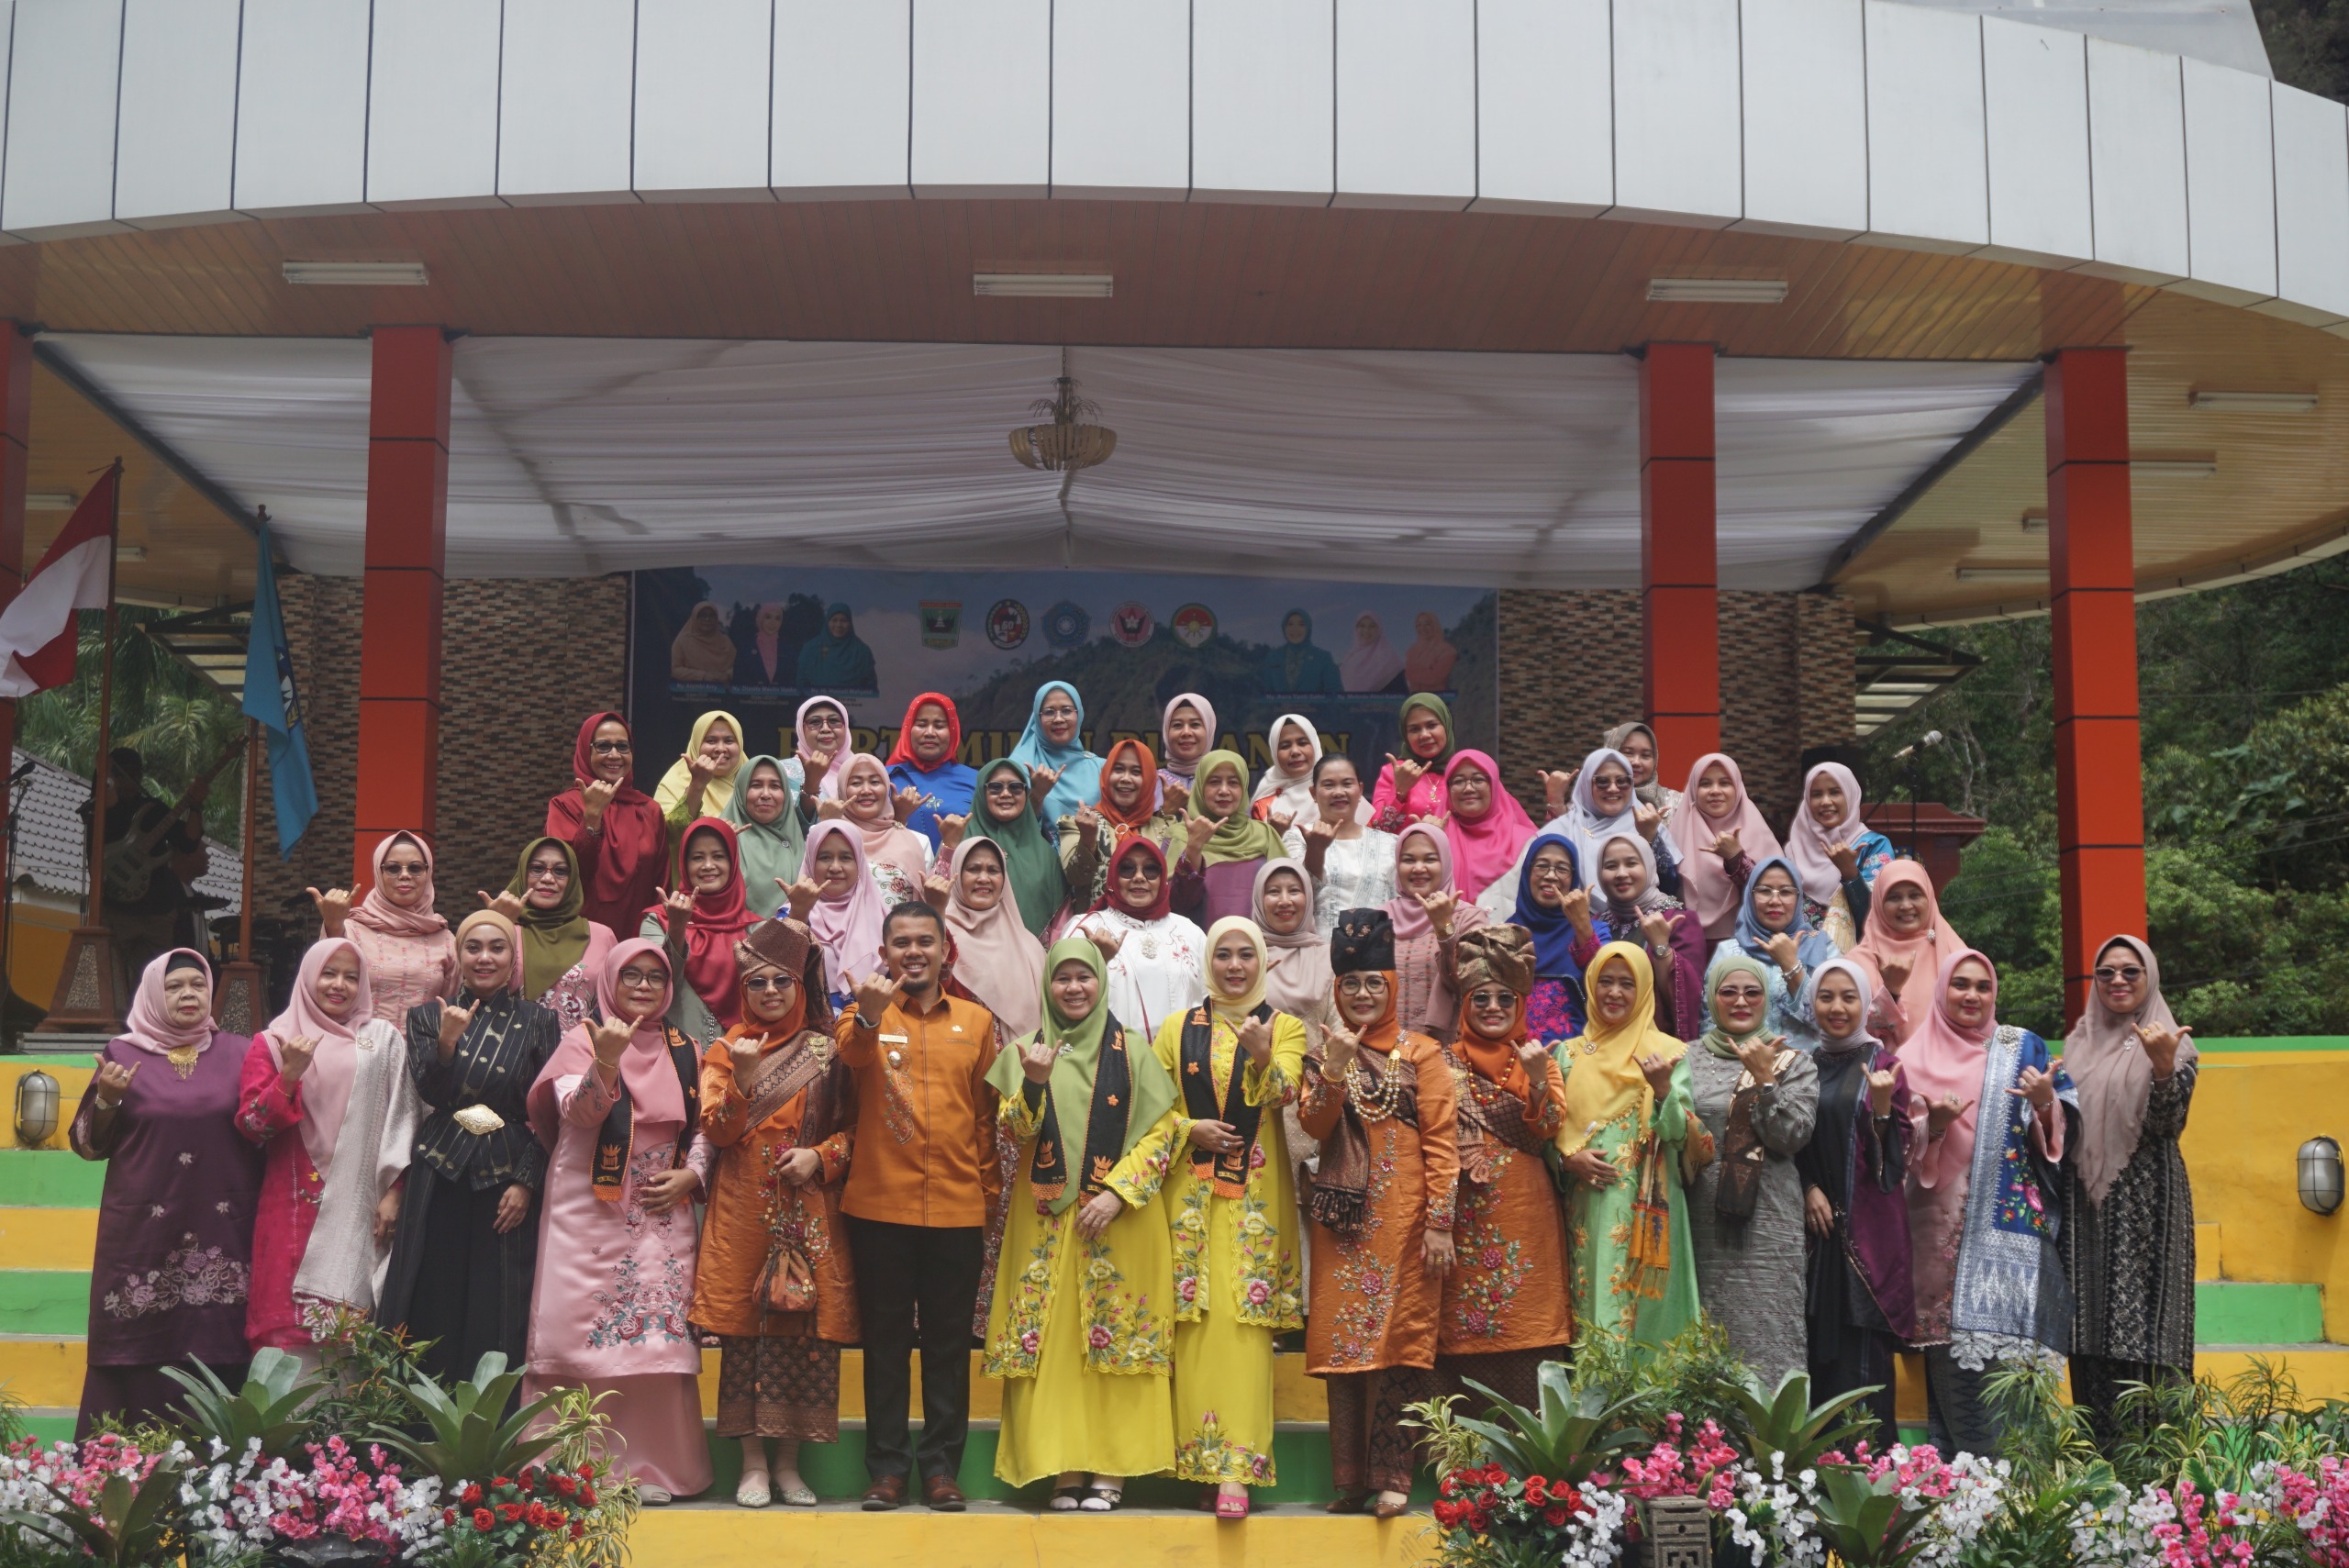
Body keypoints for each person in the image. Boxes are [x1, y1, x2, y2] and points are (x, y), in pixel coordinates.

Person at [986, 936, 1184, 1509]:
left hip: (1120, 1223)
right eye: (1062, 978)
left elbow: (1164, 1131)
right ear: (1047, 985)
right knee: (1054, 1345)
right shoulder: (1025, 1052)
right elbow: (1015, 1132)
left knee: (1117, 1338)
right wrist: (1034, 1082)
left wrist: (1117, 1193)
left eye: (1084, 977)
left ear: (1102, 981)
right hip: (1046, 1225)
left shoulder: (1136, 1052)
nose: (1073, 988)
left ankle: (1112, 1471)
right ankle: (1063, 1467)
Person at [525, 939, 714, 1505]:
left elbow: (704, 1126)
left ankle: (656, 1467)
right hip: (589, 1204)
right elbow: (578, 1113)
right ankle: (571, 1466)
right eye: (631, 975)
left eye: (656, 977)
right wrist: (606, 1060)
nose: (644, 986)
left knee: (655, 1339)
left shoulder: (686, 1049)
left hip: (661, 1206)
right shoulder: (581, 1040)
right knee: (580, 1331)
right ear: (609, 981)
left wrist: (693, 1175)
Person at [834, 903, 1004, 1512]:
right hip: (880, 1206)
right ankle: (886, 1470)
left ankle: (940, 1470)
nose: (913, 951)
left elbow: (984, 1117)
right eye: (901, 942)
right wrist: (869, 1016)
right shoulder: (862, 1013)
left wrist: (986, 1195)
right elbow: (852, 1056)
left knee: (948, 1347)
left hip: (957, 1209)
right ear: (884, 953)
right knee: (884, 1345)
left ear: (943, 949)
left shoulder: (977, 1021)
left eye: (924, 941)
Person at [691, 917, 858, 1509]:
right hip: (744, 1211)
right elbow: (718, 1131)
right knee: (747, 1336)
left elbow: (856, 1131)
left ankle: (789, 1465)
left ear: (799, 986)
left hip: (811, 1206)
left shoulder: (828, 1051)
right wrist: (740, 1079)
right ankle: (753, 1466)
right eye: (757, 982)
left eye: (781, 981)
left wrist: (821, 1156)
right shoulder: (726, 1049)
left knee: (805, 1333)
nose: (769, 992)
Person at [1299, 908, 1459, 1518]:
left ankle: (1394, 1477)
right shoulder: (1324, 1053)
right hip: (1344, 1224)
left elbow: (1442, 1142)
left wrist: (1440, 1222)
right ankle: (1350, 1480)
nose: (1362, 994)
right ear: (1336, 990)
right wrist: (1335, 1067)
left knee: (1401, 1343)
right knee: (1345, 1344)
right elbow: (1315, 1126)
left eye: (1374, 982)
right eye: (1351, 984)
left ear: (1392, 985)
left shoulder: (1422, 1052)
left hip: (1407, 1222)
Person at [1152, 917, 1308, 1517]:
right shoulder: (1176, 1029)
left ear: (1262, 960)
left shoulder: (1283, 1026)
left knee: (1242, 1329)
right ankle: (1199, 1463)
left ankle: (1237, 1471)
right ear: (1207, 961)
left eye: (1246, 954)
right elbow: (1149, 1109)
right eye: (1224, 954)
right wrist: (1189, 1127)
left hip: (1253, 1205)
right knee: (1193, 1328)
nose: (1235, 965)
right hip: (1188, 1200)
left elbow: (1285, 1093)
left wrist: (1264, 1056)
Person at [69, 951, 261, 1436]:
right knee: (139, 1339)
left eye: (198, 984)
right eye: (174, 987)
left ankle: (221, 1461)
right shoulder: (121, 1054)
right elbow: (89, 1146)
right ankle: (125, 1461)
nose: (188, 994)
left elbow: (265, 1128)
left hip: (224, 1223)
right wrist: (107, 1099)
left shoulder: (242, 1052)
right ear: (154, 993)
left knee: (220, 1339)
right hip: (142, 1228)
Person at [1900, 950, 2076, 1456]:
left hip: (2010, 1239)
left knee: (2015, 1379)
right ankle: (1965, 1488)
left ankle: (2024, 1487)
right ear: (1942, 991)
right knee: (1954, 1373)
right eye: (1961, 984)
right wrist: (1934, 1127)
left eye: (1983, 986)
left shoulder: (2023, 1048)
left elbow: (2066, 1124)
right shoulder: (1909, 1060)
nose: (1972, 995)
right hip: (1936, 1238)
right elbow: (1892, 1151)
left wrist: (2044, 1101)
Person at [378, 910, 562, 1389]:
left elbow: (549, 1113)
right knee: (428, 1292)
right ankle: (414, 1418)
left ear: (513, 958)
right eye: (473, 947)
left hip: (507, 1172)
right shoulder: (426, 1016)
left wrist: (527, 1181)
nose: (485, 958)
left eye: (497, 948)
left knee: (500, 1298)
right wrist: (446, 1043)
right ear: (458, 955)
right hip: (440, 1168)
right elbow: (431, 1092)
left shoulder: (539, 1020)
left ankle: (493, 1418)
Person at [238, 939, 420, 1364]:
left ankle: (349, 1415)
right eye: (328, 973)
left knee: (355, 1337)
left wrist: (395, 1193)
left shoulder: (383, 1040)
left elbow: (404, 1119)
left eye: (351, 977)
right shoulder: (274, 1041)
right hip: (293, 1206)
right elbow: (252, 1126)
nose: (339, 985)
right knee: (288, 1331)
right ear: (307, 977)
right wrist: (288, 1076)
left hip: (363, 1206)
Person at [2064, 935, 2199, 1446]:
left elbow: (2169, 1125)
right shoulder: (2077, 1046)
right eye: (2106, 972)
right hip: (2085, 1205)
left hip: (2148, 1205)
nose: (2117, 980)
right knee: (2089, 1334)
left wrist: (2162, 1067)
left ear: (2149, 978)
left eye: (2130, 971)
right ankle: (2098, 1465)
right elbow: (2064, 1130)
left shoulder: (2174, 1043)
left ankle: (2159, 1466)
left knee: (2149, 1334)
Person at [1437, 926, 1574, 1410]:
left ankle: (1531, 1446)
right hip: (1463, 1214)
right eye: (1481, 998)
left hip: (1527, 1215)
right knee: (1461, 1328)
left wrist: (1537, 1082)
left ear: (1521, 1004)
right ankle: (1462, 1449)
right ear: (1464, 1004)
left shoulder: (1541, 1059)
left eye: (1504, 999)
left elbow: (1550, 1127)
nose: (1492, 1007)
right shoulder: (1441, 1063)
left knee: (1527, 1320)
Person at [1553, 941, 1702, 1352]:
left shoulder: (1668, 1054)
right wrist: (1568, 1161)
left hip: (1649, 1205)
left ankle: (1649, 1398)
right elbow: (1548, 1136)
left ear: (1645, 990)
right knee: (1591, 1301)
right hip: (1585, 1209)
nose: (1614, 993)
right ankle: (1595, 1393)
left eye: (1627, 983)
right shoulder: (1568, 1056)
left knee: (1647, 1316)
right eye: (1605, 981)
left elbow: (1681, 1137)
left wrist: (1662, 1089)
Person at [1683, 951, 1820, 1386]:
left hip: (1769, 1226)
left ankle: (1774, 1428)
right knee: (1704, 1335)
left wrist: (1765, 1080)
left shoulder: (1794, 1062)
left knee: (1770, 1334)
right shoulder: (1684, 1058)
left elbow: (1792, 1136)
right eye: (1728, 992)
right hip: (1698, 1222)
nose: (1740, 1001)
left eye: (1752, 992)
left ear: (1766, 1000)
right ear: (1712, 998)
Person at [1794, 957, 1914, 1450]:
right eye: (1826, 996)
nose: (1837, 1007)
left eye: (1849, 997)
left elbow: (1893, 1170)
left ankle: (1868, 1484)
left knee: (1862, 1374)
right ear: (1812, 1003)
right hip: (1813, 1241)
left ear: (1866, 1004)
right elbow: (1788, 1143)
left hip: (1865, 1244)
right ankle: (1814, 1488)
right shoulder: (1802, 1064)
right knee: (1814, 1370)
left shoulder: (1884, 1066)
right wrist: (1807, 1187)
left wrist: (1882, 1110)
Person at [84, 748, 208, 995]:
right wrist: (105, 775)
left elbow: (188, 842)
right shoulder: (97, 810)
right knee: (110, 983)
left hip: (157, 911)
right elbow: (111, 811)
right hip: (115, 907)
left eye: (137, 773)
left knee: (155, 984)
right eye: (125, 773)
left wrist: (196, 806)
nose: (132, 779)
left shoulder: (153, 809)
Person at [1071, 837, 1209, 1044]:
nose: (1139, 877)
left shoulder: (1189, 931)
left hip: (1182, 1058)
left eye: (1150, 870)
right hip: (1112, 1055)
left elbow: (1210, 1001)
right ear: (1113, 876)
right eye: (1127, 869)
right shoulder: (1086, 929)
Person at [310, 833, 456, 1027]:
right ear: (379, 873)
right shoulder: (352, 930)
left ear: (428, 874)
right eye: (393, 868)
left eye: (415, 868)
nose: (405, 875)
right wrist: (333, 924)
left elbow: (452, 1009)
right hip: (357, 1043)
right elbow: (325, 986)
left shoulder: (446, 940)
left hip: (425, 1045)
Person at [547, 711, 669, 936]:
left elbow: (662, 883)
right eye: (603, 746)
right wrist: (592, 817)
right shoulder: (565, 806)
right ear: (586, 751)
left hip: (638, 940)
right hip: (580, 938)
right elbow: (567, 874)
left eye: (623, 746)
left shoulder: (649, 810)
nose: (614, 755)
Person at [641, 817, 758, 1043]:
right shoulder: (657, 920)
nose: (708, 865)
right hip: (673, 1052)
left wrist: (800, 913)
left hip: (737, 1053)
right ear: (684, 865)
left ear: (733, 862)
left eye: (718, 856)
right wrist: (676, 928)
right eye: (697, 858)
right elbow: (656, 983)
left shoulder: (754, 927)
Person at [1526, 747, 1681, 909]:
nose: (1613, 788)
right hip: (1570, 921)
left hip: (1642, 921)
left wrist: (1650, 838)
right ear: (1587, 785)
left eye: (1622, 781)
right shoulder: (1562, 829)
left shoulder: (1649, 824)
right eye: (1602, 781)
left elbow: (1671, 887)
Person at [1591, 832, 1708, 1040]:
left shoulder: (1678, 920)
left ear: (1649, 867)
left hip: (1653, 1045)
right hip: (1600, 1038)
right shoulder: (1597, 922)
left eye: (1631, 863)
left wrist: (1662, 948)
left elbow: (1689, 998)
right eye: (1611, 866)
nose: (1621, 873)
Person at [930, 836, 1046, 1039]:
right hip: (958, 1051)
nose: (984, 878)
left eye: (993, 870)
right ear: (956, 875)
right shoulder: (940, 934)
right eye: (973, 869)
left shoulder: (1028, 946)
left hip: (1021, 1056)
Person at [1718, 855, 1841, 1044]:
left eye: (1785, 892)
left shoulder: (1822, 947)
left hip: (1809, 1061)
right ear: (1750, 896)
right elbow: (1713, 1023)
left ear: (1799, 898)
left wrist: (1791, 967)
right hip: (1742, 1059)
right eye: (1764, 891)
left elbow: (1834, 1023)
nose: (1775, 900)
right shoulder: (1728, 953)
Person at [497, 837, 616, 1029]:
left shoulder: (602, 936)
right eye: (537, 868)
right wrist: (497, 922)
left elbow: (616, 1004)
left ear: (572, 879)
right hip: (513, 1045)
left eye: (560, 871)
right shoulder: (505, 931)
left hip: (584, 1047)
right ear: (523, 874)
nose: (548, 879)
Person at [1059, 739, 1189, 912]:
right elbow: (1076, 878)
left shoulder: (1165, 829)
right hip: (1095, 927)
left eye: (1136, 772)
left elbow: (1175, 891)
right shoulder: (1080, 824)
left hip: (1152, 928)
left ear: (1149, 779)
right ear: (1106, 774)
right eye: (1118, 769)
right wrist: (1088, 840)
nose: (1126, 779)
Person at [1386, 823, 1488, 1042]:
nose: (1418, 868)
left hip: (1446, 1049)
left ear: (1446, 863)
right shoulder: (1379, 918)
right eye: (1408, 860)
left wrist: (1445, 928)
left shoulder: (1469, 918)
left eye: (1430, 859)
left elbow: (1474, 984)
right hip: (1386, 1048)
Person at [947, 758, 1067, 941]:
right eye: (995, 787)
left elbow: (1060, 920)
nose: (1005, 794)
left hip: (1031, 954)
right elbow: (938, 896)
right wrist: (948, 846)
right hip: (966, 949)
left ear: (1026, 794)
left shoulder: (1044, 854)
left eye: (1015, 787)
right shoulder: (959, 841)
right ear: (981, 793)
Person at [1670, 752, 1782, 941]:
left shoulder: (1757, 830)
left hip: (1748, 942)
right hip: (1688, 942)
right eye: (1705, 784)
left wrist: (1736, 858)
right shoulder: (1677, 831)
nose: (1715, 791)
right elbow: (1664, 887)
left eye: (1725, 783)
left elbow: (1773, 890)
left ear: (1738, 787)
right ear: (1693, 789)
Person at [1787, 762, 1897, 950]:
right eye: (1817, 794)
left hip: (1853, 958)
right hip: (1798, 954)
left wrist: (1850, 873)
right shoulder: (1794, 848)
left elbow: (1878, 915)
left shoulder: (1873, 845)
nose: (1825, 801)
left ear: (1850, 795)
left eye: (1835, 792)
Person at [1174, 750, 1290, 928]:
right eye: (1214, 782)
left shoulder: (1265, 835)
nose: (1224, 791)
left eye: (1233, 783)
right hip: (1196, 942)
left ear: (1243, 789)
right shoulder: (1179, 836)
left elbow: (1287, 894)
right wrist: (1193, 848)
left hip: (1257, 942)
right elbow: (1173, 904)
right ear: (1200, 787)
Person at [1847, 859, 1964, 1034]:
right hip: (1889, 1053)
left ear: (1929, 898)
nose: (1906, 906)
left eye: (1915, 895)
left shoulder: (1953, 951)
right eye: (1894, 898)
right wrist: (1891, 992)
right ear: (1878, 903)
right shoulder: (1857, 963)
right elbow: (1851, 1031)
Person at [785, 821, 886, 1013]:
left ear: (859, 862)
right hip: (806, 1025)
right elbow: (777, 969)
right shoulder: (789, 914)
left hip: (873, 1023)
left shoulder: (884, 918)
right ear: (810, 861)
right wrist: (798, 915)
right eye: (824, 857)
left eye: (846, 858)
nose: (835, 867)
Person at [1292, 753, 1397, 934]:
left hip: (1379, 949)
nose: (1339, 792)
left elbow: (1401, 905)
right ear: (1313, 793)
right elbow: (1295, 896)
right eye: (1328, 785)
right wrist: (1315, 850)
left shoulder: (1391, 844)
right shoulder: (1298, 838)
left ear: (1360, 790)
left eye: (1347, 784)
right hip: (1318, 948)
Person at [1509, 835, 1600, 1040]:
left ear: (1573, 878)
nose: (1551, 876)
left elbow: (1604, 982)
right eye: (1542, 866)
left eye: (1562, 869)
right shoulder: (1505, 934)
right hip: (1514, 1053)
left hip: (1576, 1053)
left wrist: (1582, 927)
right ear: (1527, 872)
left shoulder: (1596, 932)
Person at [829, 751, 930, 903]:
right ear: (842, 790)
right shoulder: (825, 838)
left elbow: (930, 899)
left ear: (887, 787)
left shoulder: (918, 841)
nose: (866, 790)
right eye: (856, 783)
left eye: (875, 782)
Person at [1439, 749, 1535, 904]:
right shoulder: (1437, 837)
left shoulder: (1526, 843)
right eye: (1458, 781)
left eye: (1478, 780)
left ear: (1494, 785)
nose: (1468, 788)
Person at [886, 691, 976, 849]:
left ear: (953, 731)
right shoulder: (884, 778)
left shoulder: (976, 780)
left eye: (939, 726)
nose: (929, 733)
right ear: (908, 729)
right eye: (921, 725)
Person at [1011, 680, 1105, 825]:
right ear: (1037, 718)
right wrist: (1036, 796)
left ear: (1079, 714)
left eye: (1066, 710)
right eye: (1049, 712)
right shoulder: (1019, 766)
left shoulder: (1100, 768)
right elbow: (1010, 829)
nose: (1058, 719)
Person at [724, 755, 807, 918]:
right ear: (741, 790)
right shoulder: (724, 836)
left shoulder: (800, 841)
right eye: (756, 785)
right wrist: (721, 848)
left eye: (775, 786)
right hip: (739, 933)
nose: (766, 794)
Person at [1369, 693, 1455, 829]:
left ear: (1446, 725)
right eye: (1414, 729)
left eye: (1432, 725)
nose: (1424, 735)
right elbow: (1377, 828)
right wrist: (1400, 792)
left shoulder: (1461, 771)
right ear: (1406, 735)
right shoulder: (1394, 772)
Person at [656, 710, 748, 828]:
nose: (720, 748)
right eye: (711, 741)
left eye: (729, 741)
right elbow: (667, 831)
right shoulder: (674, 782)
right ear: (696, 745)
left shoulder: (754, 780)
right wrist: (697, 784)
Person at [1254, 712, 1349, 826]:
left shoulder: (1344, 796)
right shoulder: (1263, 806)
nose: (1295, 751)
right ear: (1274, 753)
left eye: (1302, 743)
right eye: (1285, 746)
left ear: (1315, 745)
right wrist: (1274, 833)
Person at [1601, 721, 1683, 817]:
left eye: (1645, 755)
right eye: (1628, 753)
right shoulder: (1596, 801)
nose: (1636, 762)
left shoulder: (1678, 803)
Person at [796, 601, 877, 691]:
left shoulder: (862, 651)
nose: (839, 625)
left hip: (854, 700)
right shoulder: (811, 649)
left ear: (850, 623)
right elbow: (801, 684)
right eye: (834, 620)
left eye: (844, 621)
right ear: (827, 622)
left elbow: (871, 687)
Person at [1260, 607, 1343, 695]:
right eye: (1290, 624)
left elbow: (1336, 695)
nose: (1295, 629)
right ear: (1284, 627)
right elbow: (1265, 694)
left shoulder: (1323, 658)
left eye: (1301, 624)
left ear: (1308, 628)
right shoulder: (1273, 657)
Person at [1158, 692, 1219, 806]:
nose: (1186, 732)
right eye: (1177, 725)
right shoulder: (1151, 782)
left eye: (1195, 724)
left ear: (1209, 730)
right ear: (1166, 731)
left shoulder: (1225, 783)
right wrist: (1165, 810)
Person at [787, 695, 851, 799]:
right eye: (815, 722)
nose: (825, 729)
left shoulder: (863, 769)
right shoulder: (783, 771)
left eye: (834, 721)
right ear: (801, 730)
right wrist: (811, 782)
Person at [670, 601, 738, 683]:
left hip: (723, 689)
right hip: (689, 689)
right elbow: (673, 669)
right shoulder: (682, 642)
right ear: (695, 618)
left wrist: (728, 675)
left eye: (711, 616)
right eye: (703, 615)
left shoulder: (725, 642)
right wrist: (703, 676)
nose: (707, 619)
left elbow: (739, 665)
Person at [1340, 611, 1406, 694]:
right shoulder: (1349, 660)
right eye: (1362, 626)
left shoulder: (1390, 660)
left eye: (1372, 626)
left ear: (1379, 630)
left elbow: (1401, 695)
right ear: (1356, 629)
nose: (1366, 630)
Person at [735, 602, 792, 686]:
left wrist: (781, 687)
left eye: (777, 618)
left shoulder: (788, 649)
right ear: (760, 619)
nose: (772, 623)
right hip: (750, 695)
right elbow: (738, 678)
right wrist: (754, 687)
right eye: (768, 617)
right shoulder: (745, 648)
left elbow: (794, 679)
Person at [1404, 611, 1459, 694]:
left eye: (1427, 624)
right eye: (1419, 625)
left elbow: (1434, 678)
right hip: (1415, 699)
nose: (1423, 628)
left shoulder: (1447, 651)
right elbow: (1408, 674)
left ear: (1435, 626)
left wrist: (1413, 672)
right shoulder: (1411, 652)